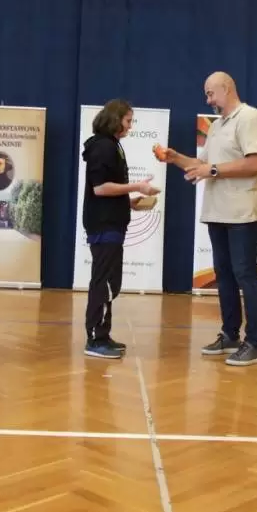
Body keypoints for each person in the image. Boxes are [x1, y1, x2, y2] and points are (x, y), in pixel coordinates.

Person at [163, 72, 257, 366]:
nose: (208, 99)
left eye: (211, 93)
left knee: (245, 274)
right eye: (206, 94)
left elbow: (255, 162)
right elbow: (203, 164)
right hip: (218, 211)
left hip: (243, 212)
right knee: (223, 274)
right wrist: (176, 158)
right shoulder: (216, 126)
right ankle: (230, 334)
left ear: (227, 88)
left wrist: (212, 171)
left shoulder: (250, 117)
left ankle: (255, 342)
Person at [82, 99, 160, 359]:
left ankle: (102, 335)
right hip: (103, 224)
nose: (130, 126)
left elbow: (108, 189)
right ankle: (95, 339)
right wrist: (137, 186)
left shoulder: (112, 145)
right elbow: (100, 188)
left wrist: (129, 202)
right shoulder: (102, 147)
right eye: (128, 121)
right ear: (115, 120)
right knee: (104, 281)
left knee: (110, 281)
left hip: (112, 222)